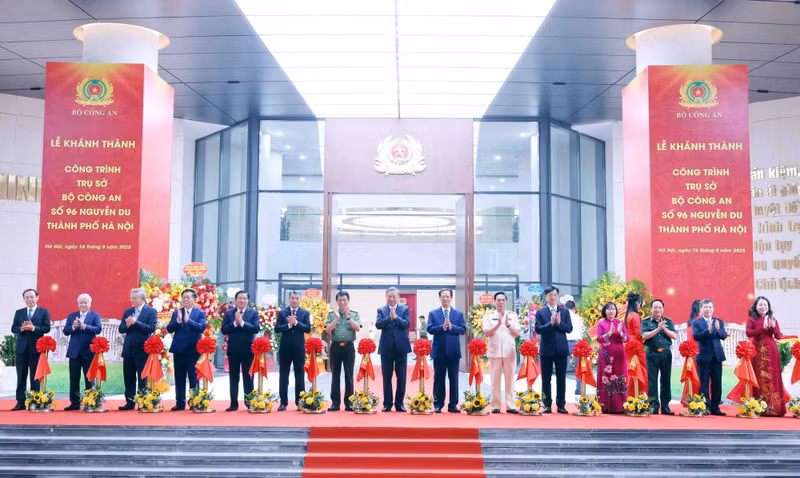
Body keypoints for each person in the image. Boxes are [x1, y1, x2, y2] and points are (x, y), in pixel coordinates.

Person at [744, 296, 789, 417]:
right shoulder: (752, 319)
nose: (763, 307)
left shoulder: (772, 319)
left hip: (771, 350)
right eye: (760, 305)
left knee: (772, 376)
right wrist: (761, 328)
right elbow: (748, 333)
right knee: (758, 376)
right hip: (757, 350)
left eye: (765, 305)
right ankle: (757, 406)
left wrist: (773, 326)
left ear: (768, 307)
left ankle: (774, 407)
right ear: (755, 307)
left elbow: (779, 337)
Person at [167, 289, 207, 411]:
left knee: (193, 378)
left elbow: (201, 327)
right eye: (183, 297)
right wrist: (178, 321)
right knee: (179, 378)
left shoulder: (200, 313)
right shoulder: (176, 312)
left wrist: (188, 321)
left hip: (193, 351)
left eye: (188, 297)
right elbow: (169, 328)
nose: (185, 300)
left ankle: (194, 401)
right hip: (179, 350)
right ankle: (180, 402)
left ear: (194, 299)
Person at [10, 289, 51, 411]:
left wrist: (33, 328)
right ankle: (20, 402)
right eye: (27, 297)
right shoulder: (19, 312)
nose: (29, 299)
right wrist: (21, 328)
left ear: (37, 297)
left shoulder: (44, 312)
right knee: (21, 376)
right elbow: (13, 328)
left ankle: (34, 401)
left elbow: (46, 328)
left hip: (37, 349)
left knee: (35, 377)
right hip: (21, 349)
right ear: (24, 299)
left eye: (32, 297)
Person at [427, 288, 466, 413]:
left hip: (453, 353)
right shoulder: (433, 313)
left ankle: (453, 404)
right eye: (443, 296)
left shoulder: (458, 314)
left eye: (447, 296)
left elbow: (463, 330)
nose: (445, 299)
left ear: (451, 298)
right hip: (439, 352)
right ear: (440, 298)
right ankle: (438, 404)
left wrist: (452, 327)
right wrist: (442, 327)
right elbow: (430, 329)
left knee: (454, 378)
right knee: (439, 378)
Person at [534, 286, 572, 414]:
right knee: (546, 379)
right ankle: (547, 404)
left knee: (561, 378)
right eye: (550, 295)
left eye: (555, 295)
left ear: (558, 296)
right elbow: (538, 329)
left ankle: (561, 405)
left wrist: (560, 323)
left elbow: (569, 328)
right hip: (546, 350)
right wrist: (550, 324)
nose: (553, 297)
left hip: (561, 350)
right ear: (546, 297)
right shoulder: (540, 312)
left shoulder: (564, 311)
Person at [118, 288, 157, 410]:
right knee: (128, 376)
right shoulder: (128, 311)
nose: (131, 300)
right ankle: (129, 402)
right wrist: (127, 325)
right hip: (129, 348)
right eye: (131, 298)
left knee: (142, 377)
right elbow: (121, 329)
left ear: (142, 299)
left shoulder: (151, 311)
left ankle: (143, 401)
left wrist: (136, 323)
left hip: (143, 349)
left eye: (134, 298)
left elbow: (151, 328)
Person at [221, 290, 259, 411]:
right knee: (233, 377)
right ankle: (233, 403)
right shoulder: (229, 313)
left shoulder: (253, 313)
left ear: (248, 300)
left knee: (249, 377)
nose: (242, 301)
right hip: (233, 350)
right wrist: (234, 323)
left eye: (244, 299)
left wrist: (242, 323)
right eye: (240, 299)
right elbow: (224, 330)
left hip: (248, 350)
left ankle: (249, 402)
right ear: (236, 300)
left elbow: (255, 329)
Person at [483, 291, 521, 414]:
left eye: (503, 300)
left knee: (510, 379)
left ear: (506, 301)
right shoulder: (489, 315)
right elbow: (487, 333)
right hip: (495, 352)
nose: (500, 302)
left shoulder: (513, 315)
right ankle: (495, 405)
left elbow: (517, 333)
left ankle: (510, 405)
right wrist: (498, 325)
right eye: (498, 300)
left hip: (509, 352)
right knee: (495, 380)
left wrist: (508, 325)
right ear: (494, 301)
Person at [63, 294, 102, 411]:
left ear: (90, 304)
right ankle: (74, 403)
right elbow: (66, 331)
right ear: (78, 304)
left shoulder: (95, 315)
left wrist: (84, 326)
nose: (83, 305)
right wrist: (73, 327)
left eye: (85, 303)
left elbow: (98, 329)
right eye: (81, 303)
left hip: (89, 352)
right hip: (74, 352)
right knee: (74, 378)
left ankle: (90, 401)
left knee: (89, 378)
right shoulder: (72, 316)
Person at [375, 287, 411, 412]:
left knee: (401, 377)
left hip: (401, 347)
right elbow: (378, 325)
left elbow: (407, 324)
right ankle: (388, 403)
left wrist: (396, 318)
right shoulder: (381, 310)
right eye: (389, 296)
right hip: (386, 348)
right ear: (386, 297)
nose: (391, 299)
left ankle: (399, 403)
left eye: (394, 296)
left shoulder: (405, 309)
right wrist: (389, 318)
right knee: (387, 377)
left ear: (398, 298)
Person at [325, 290, 362, 411]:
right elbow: (328, 330)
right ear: (336, 301)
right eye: (340, 300)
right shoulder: (331, 314)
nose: (342, 302)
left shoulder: (354, 313)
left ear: (348, 301)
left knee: (349, 375)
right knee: (335, 375)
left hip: (349, 347)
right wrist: (336, 319)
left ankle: (349, 403)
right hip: (335, 347)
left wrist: (348, 317)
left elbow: (357, 328)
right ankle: (335, 403)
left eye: (344, 300)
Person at [275, 291, 311, 411]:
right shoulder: (283, 312)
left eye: (296, 298)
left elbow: (307, 328)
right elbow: (277, 329)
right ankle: (283, 402)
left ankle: (300, 402)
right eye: (292, 298)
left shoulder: (304, 313)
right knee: (283, 376)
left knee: (299, 376)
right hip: (285, 348)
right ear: (289, 299)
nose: (294, 300)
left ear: (299, 299)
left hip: (299, 348)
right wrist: (289, 326)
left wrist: (295, 323)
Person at [692, 298, 727, 416]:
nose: (708, 309)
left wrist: (717, 329)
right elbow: (696, 336)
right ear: (701, 309)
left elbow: (723, 336)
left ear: (713, 309)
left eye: (710, 307)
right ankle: (704, 406)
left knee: (717, 382)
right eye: (705, 307)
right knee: (704, 382)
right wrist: (708, 330)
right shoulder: (696, 322)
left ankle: (715, 407)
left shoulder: (718, 321)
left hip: (717, 356)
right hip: (704, 356)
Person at [641, 299, 677, 415]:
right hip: (652, 353)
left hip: (666, 353)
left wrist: (664, 328)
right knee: (652, 380)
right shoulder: (646, 322)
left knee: (666, 379)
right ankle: (653, 406)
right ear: (651, 309)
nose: (658, 310)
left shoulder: (668, 321)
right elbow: (644, 336)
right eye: (655, 307)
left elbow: (674, 336)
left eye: (660, 307)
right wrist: (658, 329)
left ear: (663, 309)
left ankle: (665, 406)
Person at [596, 302, 629, 413]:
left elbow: (627, 339)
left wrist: (620, 333)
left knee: (620, 377)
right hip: (606, 354)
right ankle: (605, 406)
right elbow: (599, 339)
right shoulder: (601, 323)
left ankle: (620, 406)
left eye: (613, 309)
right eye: (609, 309)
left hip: (619, 354)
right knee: (606, 377)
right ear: (605, 311)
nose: (611, 311)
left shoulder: (620, 323)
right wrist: (609, 333)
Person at [623, 292, 647, 399]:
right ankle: (638, 396)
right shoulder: (636, 315)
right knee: (639, 371)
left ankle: (631, 397)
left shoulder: (628, 314)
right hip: (636, 345)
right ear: (638, 303)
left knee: (631, 370)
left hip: (628, 344)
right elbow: (639, 333)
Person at [562, 296, 584, 395]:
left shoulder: (563, 317)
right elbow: (582, 332)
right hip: (577, 343)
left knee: (562, 367)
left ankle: (562, 389)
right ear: (574, 308)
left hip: (565, 343)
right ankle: (578, 389)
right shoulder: (579, 318)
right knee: (578, 367)